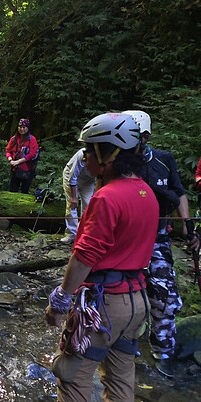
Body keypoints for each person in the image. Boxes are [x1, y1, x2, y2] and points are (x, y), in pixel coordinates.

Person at [45, 112, 159, 402]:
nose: (84, 158)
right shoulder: (146, 192)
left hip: (104, 305)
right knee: (121, 381)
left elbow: (85, 256)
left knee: (72, 377)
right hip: (136, 302)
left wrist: (60, 301)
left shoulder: (108, 198)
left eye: (88, 151)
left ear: (108, 153)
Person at [122, 109, 199, 378]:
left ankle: (162, 351)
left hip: (158, 238)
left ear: (145, 136)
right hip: (127, 241)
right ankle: (122, 348)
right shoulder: (119, 162)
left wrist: (188, 227)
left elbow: (179, 194)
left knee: (165, 298)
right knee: (123, 294)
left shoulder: (163, 160)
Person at [60, 148, 95, 244]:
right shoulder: (82, 155)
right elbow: (72, 177)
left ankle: (83, 232)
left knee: (89, 205)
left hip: (88, 181)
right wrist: (74, 197)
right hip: (70, 177)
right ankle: (71, 233)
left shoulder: (105, 156)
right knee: (71, 205)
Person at [6, 118, 39, 193]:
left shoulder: (32, 139)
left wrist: (18, 161)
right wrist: (10, 159)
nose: (22, 129)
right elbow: (8, 150)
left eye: (24, 127)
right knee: (12, 190)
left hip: (27, 169)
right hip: (15, 169)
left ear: (27, 128)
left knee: (24, 191)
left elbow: (32, 154)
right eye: (20, 127)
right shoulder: (14, 139)